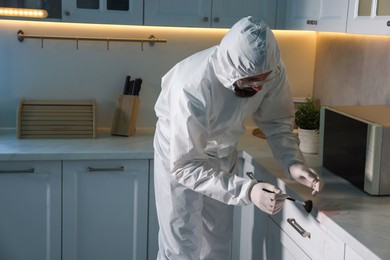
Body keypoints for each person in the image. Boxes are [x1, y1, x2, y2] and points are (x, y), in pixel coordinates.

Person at [153, 16, 324, 260]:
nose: (257, 87)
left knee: (217, 241)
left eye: (262, 80)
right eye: (251, 81)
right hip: (180, 155)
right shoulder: (192, 86)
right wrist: (248, 191)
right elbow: (187, 166)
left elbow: (276, 121)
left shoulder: (271, 70)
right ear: (230, 69)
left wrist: (292, 162)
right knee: (181, 243)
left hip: (223, 151)